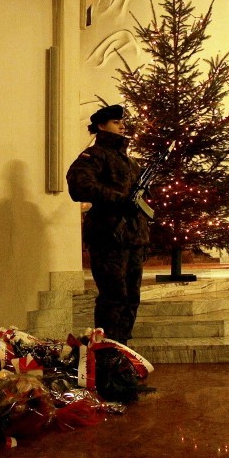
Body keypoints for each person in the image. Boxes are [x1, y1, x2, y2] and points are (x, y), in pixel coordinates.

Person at [66, 104, 150, 346]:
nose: (122, 125)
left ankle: (123, 351)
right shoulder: (93, 156)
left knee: (131, 298)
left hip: (134, 238)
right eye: (115, 121)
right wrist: (119, 199)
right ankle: (107, 354)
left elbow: (139, 202)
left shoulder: (130, 161)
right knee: (114, 297)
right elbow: (80, 186)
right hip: (109, 237)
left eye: (122, 121)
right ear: (101, 126)